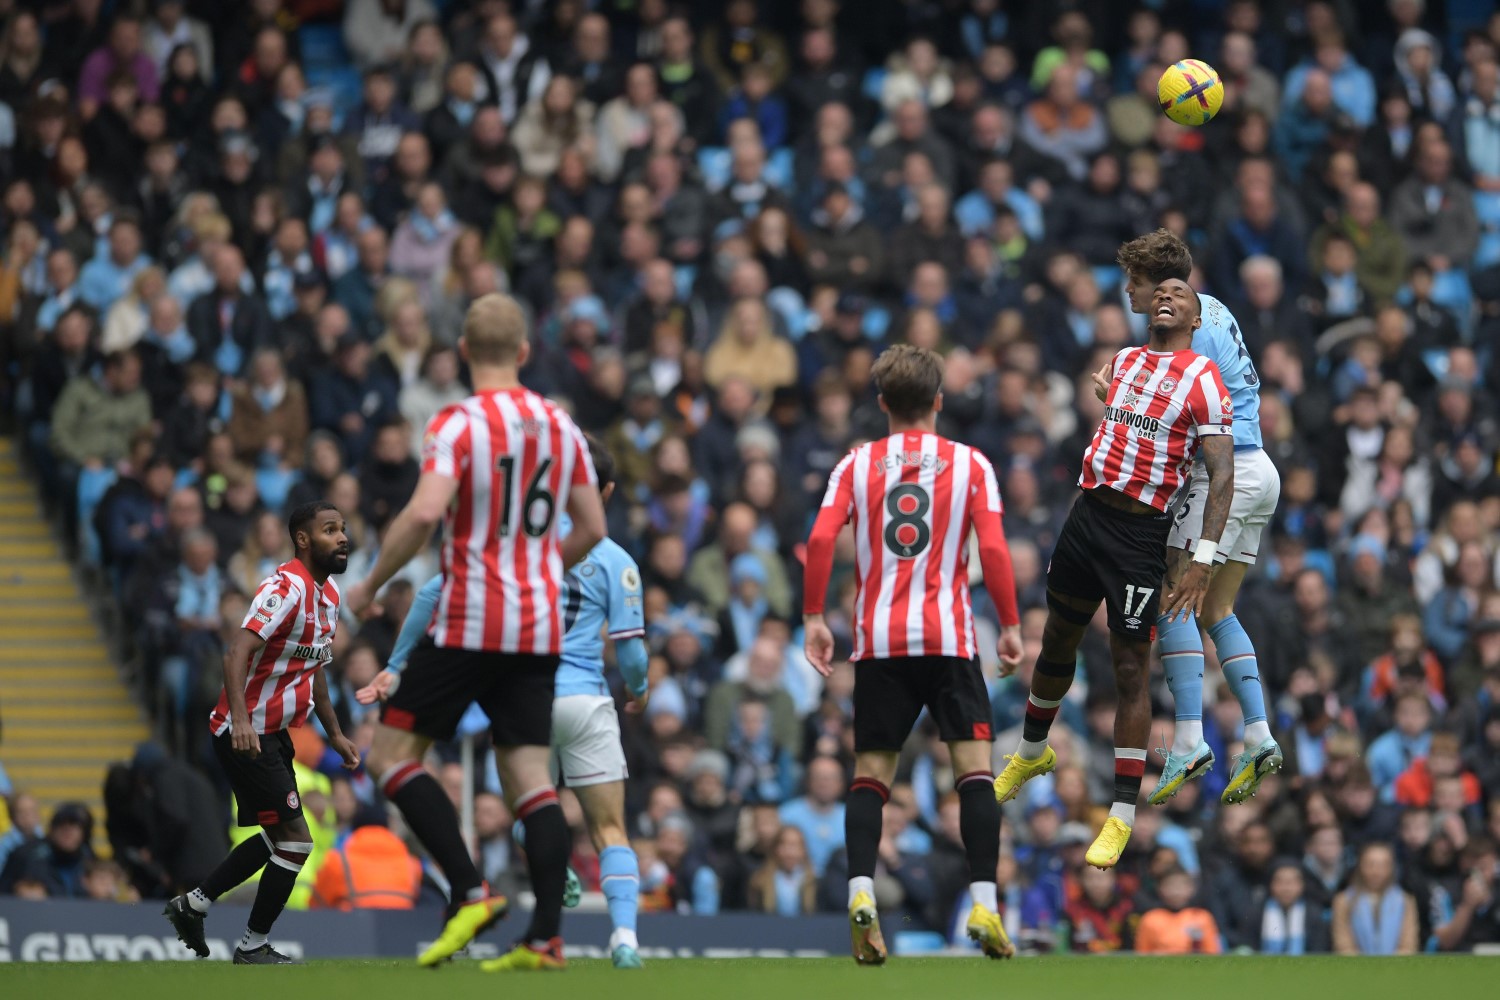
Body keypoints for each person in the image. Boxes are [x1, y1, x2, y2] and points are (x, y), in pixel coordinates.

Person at [344, 293, 606, 972]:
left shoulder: (457, 422)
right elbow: (595, 528)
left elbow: (425, 512)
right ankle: (546, 938)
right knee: (528, 777)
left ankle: (470, 888)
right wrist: (544, 570)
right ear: (524, 353)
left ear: (462, 352)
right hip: (539, 625)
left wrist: (371, 583)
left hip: (469, 618)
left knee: (391, 756)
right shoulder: (559, 423)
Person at [362, 436, 647, 968]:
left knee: (526, 801)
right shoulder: (615, 558)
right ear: (602, 490)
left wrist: (396, 663)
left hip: (525, 688)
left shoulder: (514, 541)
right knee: (609, 827)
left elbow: (430, 595)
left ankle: (523, 879)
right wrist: (641, 690)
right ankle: (623, 939)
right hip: (586, 699)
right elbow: (631, 653)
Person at [992, 278, 1235, 869]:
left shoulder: (1203, 378)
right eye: (1160, 291)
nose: (1165, 298)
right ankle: (1031, 751)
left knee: (1130, 667)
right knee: (1056, 637)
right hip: (1087, 515)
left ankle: (1121, 813)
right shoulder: (1124, 361)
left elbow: (1221, 474)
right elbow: (1132, 428)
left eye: (1180, 293)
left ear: (1196, 318)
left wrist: (1203, 556)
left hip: (1139, 535)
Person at [802, 343, 1024, 964]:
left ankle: (861, 890)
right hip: (950, 638)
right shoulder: (970, 463)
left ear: (881, 404)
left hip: (879, 641)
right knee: (975, 774)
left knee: (871, 774)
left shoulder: (855, 464)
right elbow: (998, 551)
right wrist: (1009, 625)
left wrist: (813, 616)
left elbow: (821, 537)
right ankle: (985, 902)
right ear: (939, 400)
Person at [1109, 229, 1284, 806]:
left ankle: (1188, 737)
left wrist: (1116, 405)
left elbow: (1182, 428)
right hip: (1261, 469)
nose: (1126, 292)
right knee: (1217, 609)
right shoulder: (1212, 309)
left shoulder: (1183, 338)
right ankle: (1257, 733)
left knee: (1175, 597)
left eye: (1131, 281)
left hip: (1226, 475)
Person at [162, 501, 360, 965]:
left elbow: (318, 667)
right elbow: (236, 652)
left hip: (271, 732)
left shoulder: (329, 597)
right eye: (331, 530)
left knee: (278, 840)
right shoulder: (285, 587)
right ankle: (252, 945)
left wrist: (334, 733)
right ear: (304, 539)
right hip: (244, 731)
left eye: (344, 529)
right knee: (296, 842)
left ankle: (193, 904)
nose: (343, 537)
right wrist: (243, 720)